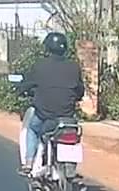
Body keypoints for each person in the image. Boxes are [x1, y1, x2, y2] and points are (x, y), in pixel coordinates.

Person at [16, 32, 84, 177]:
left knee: (32, 129)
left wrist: (21, 91)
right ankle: (69, 168)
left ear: (47, 48)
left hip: (44, 115)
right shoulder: (74, 66)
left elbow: (26, 84)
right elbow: (80, 90)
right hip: (67, 117)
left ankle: (28, 163)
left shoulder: (40, 65)